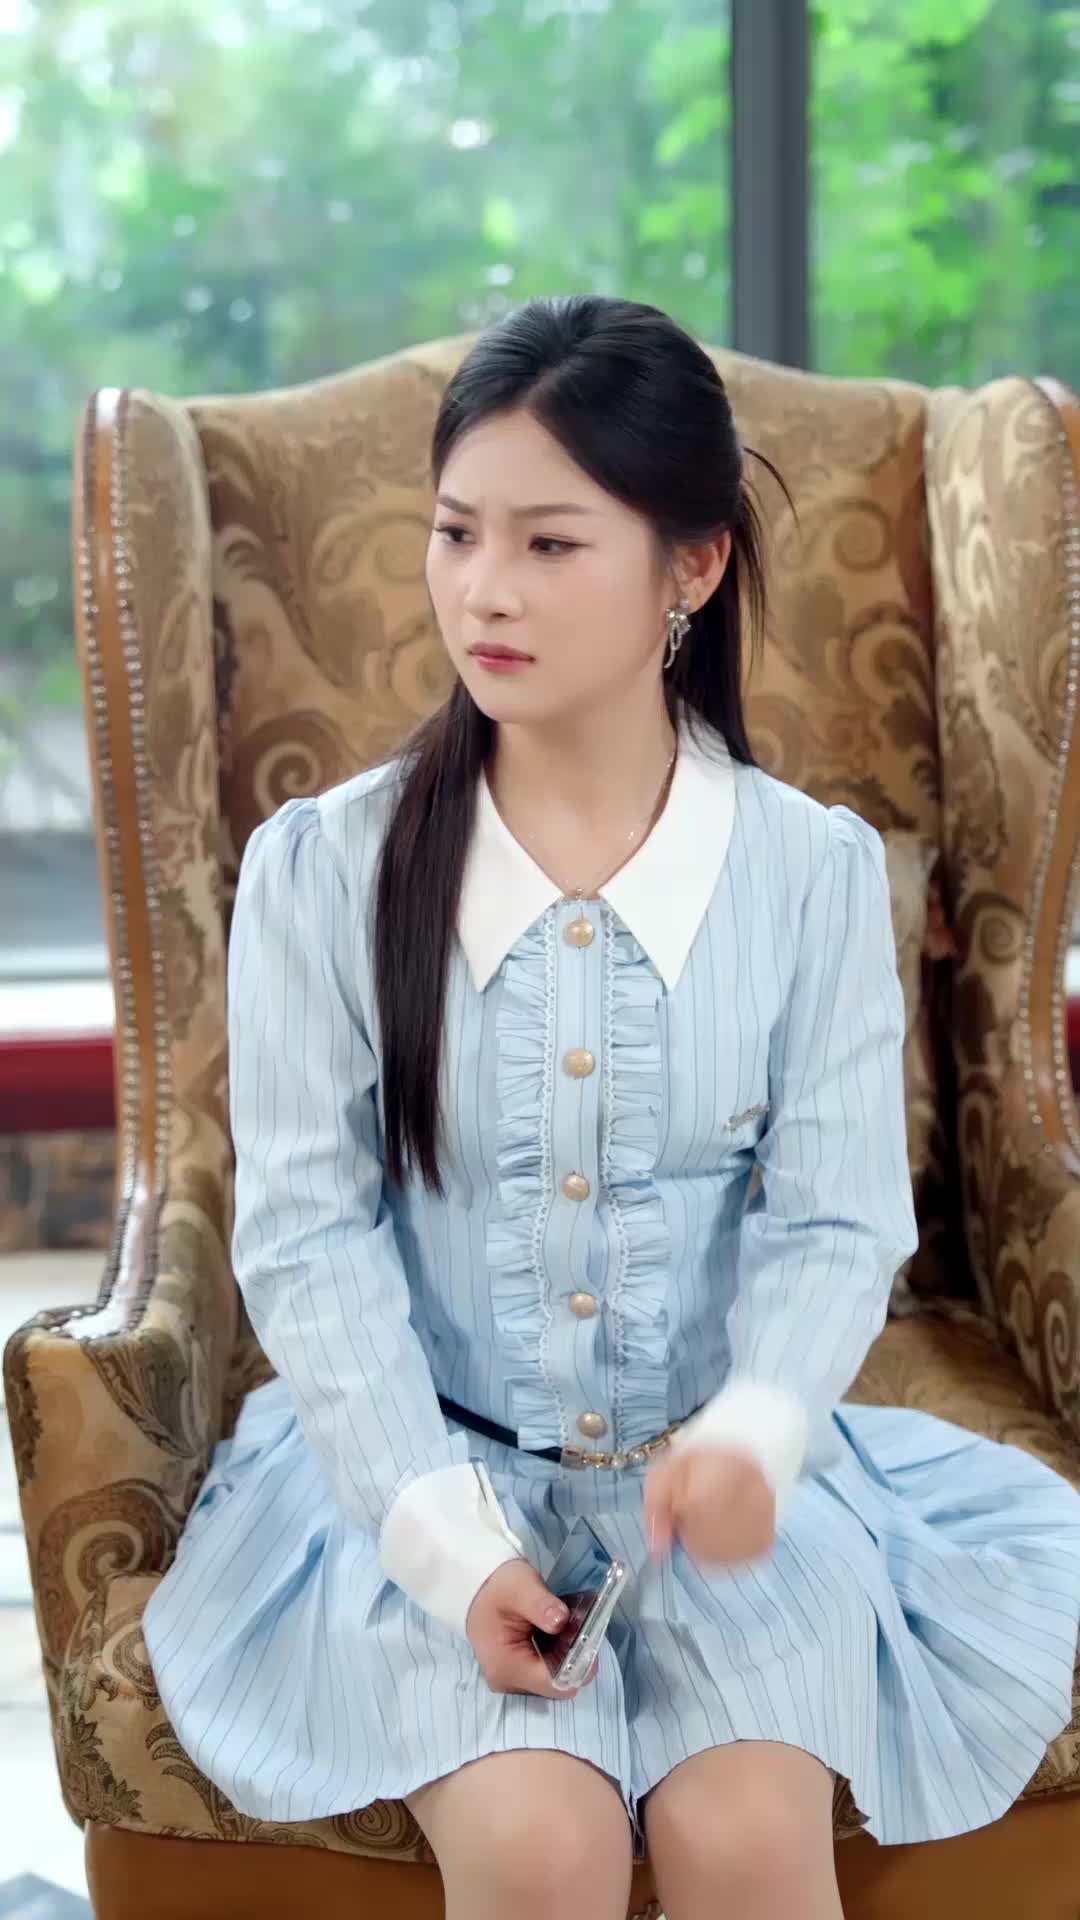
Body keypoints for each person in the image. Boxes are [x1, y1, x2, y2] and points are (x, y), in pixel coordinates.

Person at [144, 296, 1080, 1920]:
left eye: (550, 543)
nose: (484, 590)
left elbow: (838, 1217)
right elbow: (306, 1238)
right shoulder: (325, 868)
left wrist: (761, 1431)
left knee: (747, 1846)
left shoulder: (808, 873)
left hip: (718, 1499)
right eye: (456, 532)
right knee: (544, 1850)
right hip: (416, 1476)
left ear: (690, 567)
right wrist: (448, 1549)